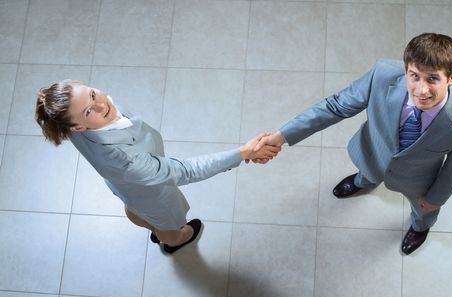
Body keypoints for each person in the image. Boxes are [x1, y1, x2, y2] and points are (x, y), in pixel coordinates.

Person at [255, 33, 452, 255]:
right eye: (414, 76)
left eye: (433, 79)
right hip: (373, 154)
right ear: (406, 70)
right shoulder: (382, 74)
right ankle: (362, 182)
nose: (421, 90)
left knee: (424, 210)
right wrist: (280, 137)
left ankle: (420, 227)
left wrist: (434, 200)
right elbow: (334, 107)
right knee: (367, 173)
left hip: (419, 181)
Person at [35, 80, 280, 254]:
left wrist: (88, 108)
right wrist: (244, 152)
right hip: (153, 193)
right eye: (89, 110)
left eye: (91, 94)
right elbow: (186, 171)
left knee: (136, 208)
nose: (101, 104)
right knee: (170, 225)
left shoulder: (78, 124)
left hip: (130, 189)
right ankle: (172, 240)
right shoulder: (126, 162)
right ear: (77, 127)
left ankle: (153, 225)